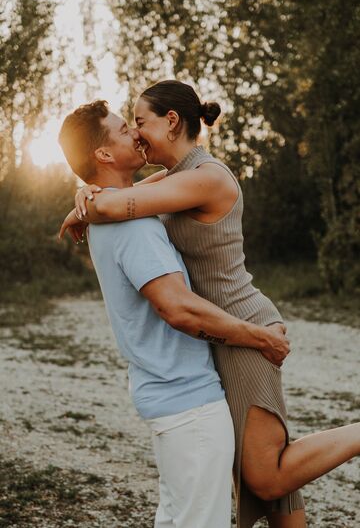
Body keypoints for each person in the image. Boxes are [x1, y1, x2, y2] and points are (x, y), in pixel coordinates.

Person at [60, 83, 360, 528]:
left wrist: (87, 202)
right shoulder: (174, 178)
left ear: (172, 121)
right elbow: (121, 197)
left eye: (139, 123)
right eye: (130, 128)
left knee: (266, 474)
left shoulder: (208, 176)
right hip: (217, 332)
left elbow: (119, 203)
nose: (137, 134)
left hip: (240, 324)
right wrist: (85, 197)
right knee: (259, 472)